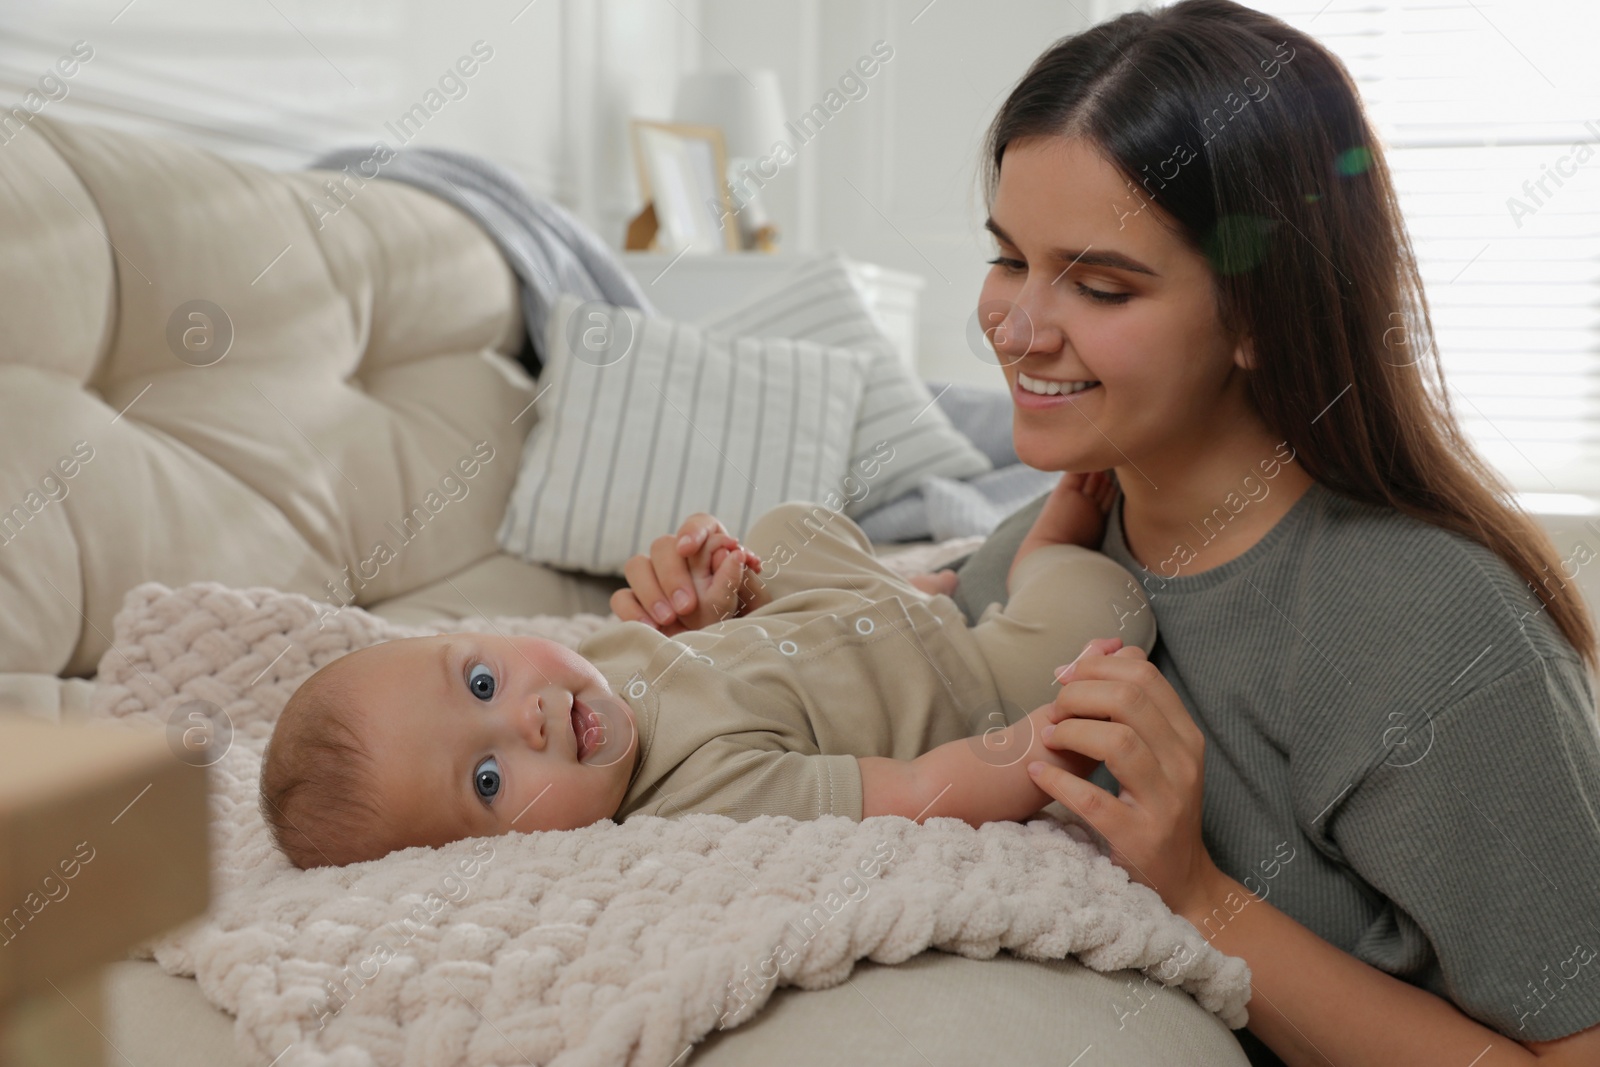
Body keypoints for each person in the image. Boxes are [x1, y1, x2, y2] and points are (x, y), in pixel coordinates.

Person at [892, 1, 1598, 1064]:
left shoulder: (1436, 628)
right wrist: (747, 616)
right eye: (1007, 260)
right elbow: (910, 651)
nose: (1018, 327)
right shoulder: (1067, 531)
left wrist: (1198, 894)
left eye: (1096, 283)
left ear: (1260, 313)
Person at [259, 473, 1154, 869]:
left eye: (483, 683)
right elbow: (915, 785)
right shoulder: (705, 799)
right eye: (488, 778)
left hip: (827, 616)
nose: (526, 718)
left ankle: (895, 584)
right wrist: (1043, 743)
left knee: (785, 524)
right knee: (1106, 611)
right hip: (964, 674)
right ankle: (1042, 550)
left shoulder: (595, 665)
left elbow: (724, 659)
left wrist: (719, 607)